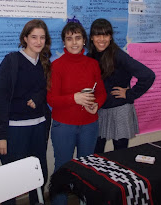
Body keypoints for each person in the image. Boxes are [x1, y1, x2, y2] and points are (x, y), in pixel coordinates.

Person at [0, 19, 52, 205]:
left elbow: (46, 88)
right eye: (34, 37)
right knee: (12, 181)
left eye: (42, 37)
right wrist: (0, 136)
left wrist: (39, 96)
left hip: (39, 128)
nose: (38, 41)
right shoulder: (12, 61)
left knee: (39, 174)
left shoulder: (45, 63)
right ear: (25, 38)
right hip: (15, 130)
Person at [47, 21, 106, 205]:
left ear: (84, 41)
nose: (74, 43)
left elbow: (101, 93)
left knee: (86, 168)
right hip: (63, 126)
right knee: (63, 169)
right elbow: (51, 100)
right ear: (63, 42)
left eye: (78, 38)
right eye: (69, 39)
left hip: (89, 124)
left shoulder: (93, 64)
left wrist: (97, 105)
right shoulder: (56, 65)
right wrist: (75, 98)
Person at [87, 18, 155, 153]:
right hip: (99, 109)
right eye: (97, 35)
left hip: (119, 110)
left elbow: (148, 75)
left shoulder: (118, 55)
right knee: (95, 152)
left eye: (105, 35)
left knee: (121, 154)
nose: (102, 39)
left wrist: (129, 94)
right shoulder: (90, 56)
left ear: (110, 37)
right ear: (92, 38)